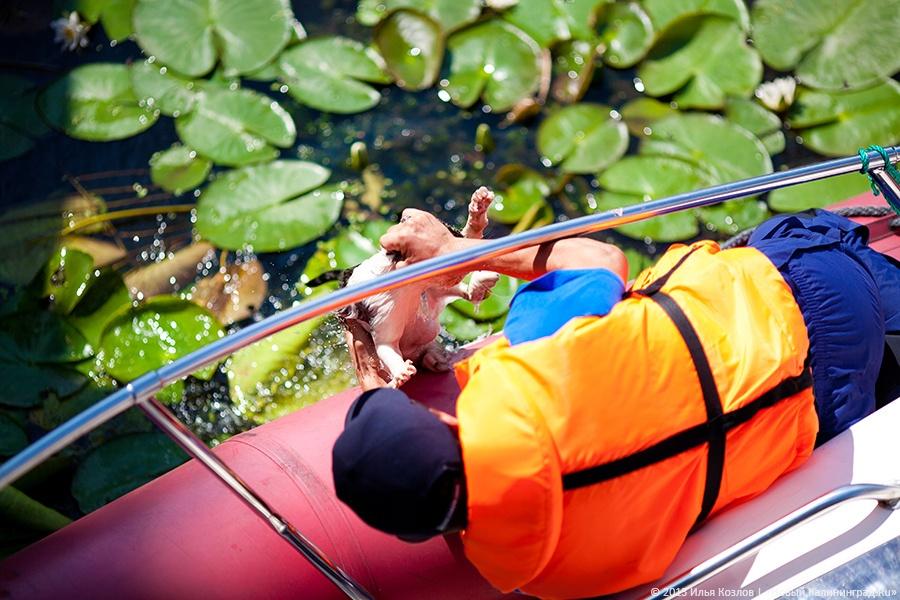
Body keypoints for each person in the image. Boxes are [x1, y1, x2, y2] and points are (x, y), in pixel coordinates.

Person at [331, 208, 900, 598]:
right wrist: (454, 250)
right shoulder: (525, 370)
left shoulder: (545, 577)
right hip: (811, 288)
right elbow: (601, 260)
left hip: (819, 410)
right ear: (436, 416)